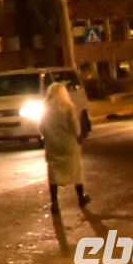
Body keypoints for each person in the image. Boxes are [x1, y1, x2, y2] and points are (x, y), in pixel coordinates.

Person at [42, 81, 89, 212]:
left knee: (53, 174)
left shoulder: (46, 108)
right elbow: (75, 127)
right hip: (69, 144)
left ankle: (54, 202)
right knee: (76, 171)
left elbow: (41, 128)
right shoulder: (68, 107)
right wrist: (79, 135)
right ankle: (81, 198)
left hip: (53, 145)